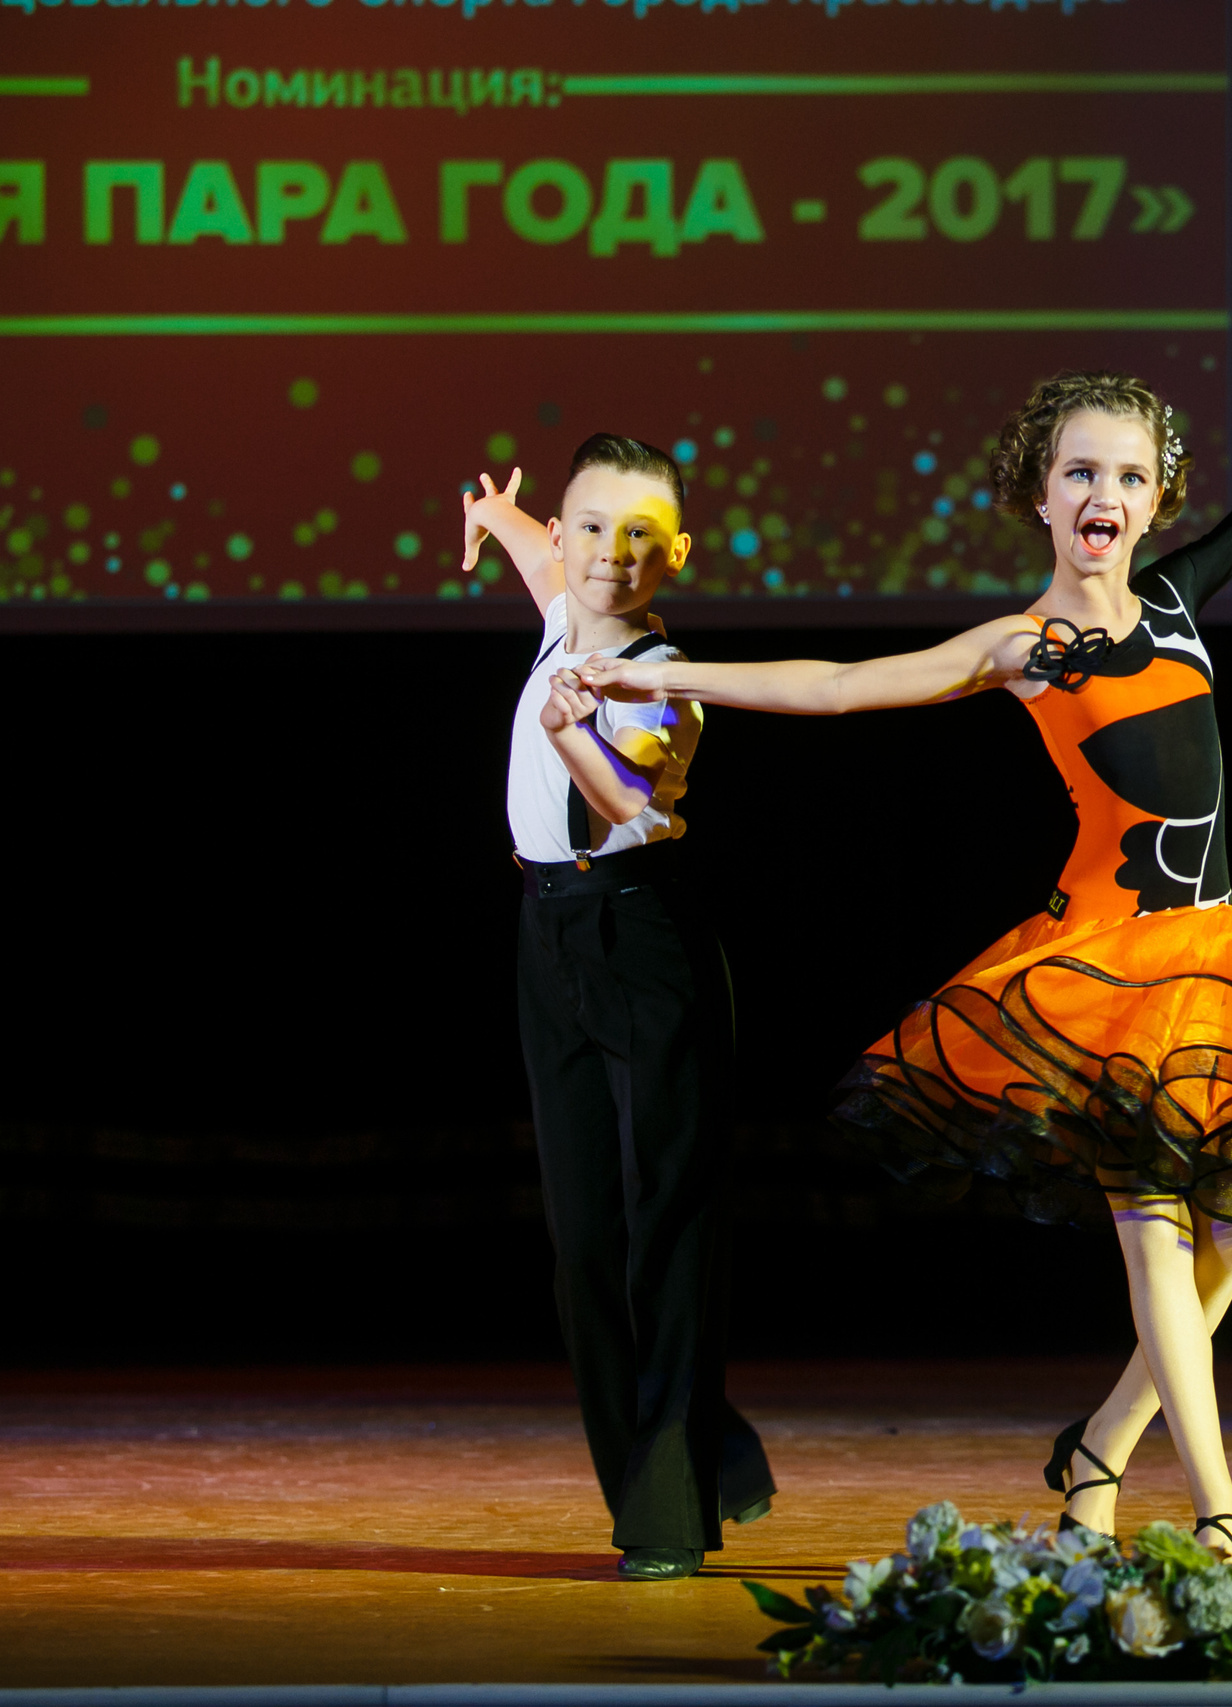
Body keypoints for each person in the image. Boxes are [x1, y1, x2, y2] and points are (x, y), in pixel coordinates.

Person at [578, 376, 1232, 1559]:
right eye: (1080, 472)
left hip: (1218, 959)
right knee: (1162, 1233)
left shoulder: (1177, 601)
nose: (1104, 496)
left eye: (1129, 477)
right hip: (1109, 968)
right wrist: (661, 675)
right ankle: (1219, 1506)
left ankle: (1098, 1452)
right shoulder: (1024, 646)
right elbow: (839, 687)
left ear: (1159, 498)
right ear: (1039, 491)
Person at [465, 433, 776, 1581]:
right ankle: (702, 1454)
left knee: (666, 1231)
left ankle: (666, 1509)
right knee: (583, 1238)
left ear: (676, 556)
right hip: (548, 938)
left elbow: (635, 810)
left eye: (640, 535)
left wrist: (569, 732)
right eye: (591, 526)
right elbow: (548, 566)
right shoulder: (562, 614)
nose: (608, 553)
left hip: (643, 937)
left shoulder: (660, 677)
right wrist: (499, 518)